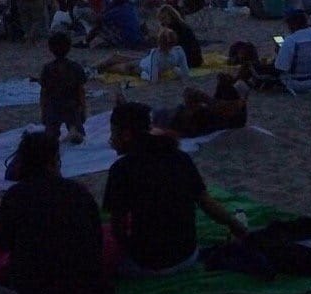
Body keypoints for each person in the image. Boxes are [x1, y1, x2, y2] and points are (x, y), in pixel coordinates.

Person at [103, 102, 248, 278]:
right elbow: (206, 203)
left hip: (147, 264)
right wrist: (236, 226)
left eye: (113, 133)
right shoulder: (179, 157)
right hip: (187, 256)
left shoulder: (121, 169)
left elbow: (118, 227)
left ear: (126, 135)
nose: (111, 139)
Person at [0, 131, 111, 294]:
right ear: (53, 160)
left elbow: (3, 242)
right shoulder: (79, 192)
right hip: (85, 287)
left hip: (36, 289)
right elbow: (96, 239)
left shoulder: (16, 196)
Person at [40, 32, 87, 144]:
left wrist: (43, 109)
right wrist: (83, 107)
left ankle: (55, 135)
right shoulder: (76, 67)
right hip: (71, 105)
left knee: (51, 134)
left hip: (53, 105)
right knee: (77, 132)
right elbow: (81, 90)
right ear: (69, 48)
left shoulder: (47, 68)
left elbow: (44, 92)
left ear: (50, 49)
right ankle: (73, 131)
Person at [96, 27, 189, 82]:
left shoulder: (157, 54)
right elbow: (185, 73)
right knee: (119, 57)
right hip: (145, 61)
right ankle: (98, 67)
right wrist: (175, 69)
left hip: (141, 67)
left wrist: (143, 74)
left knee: (121, 64)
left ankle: (98, 67)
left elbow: (153, 79)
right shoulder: (179, 50)